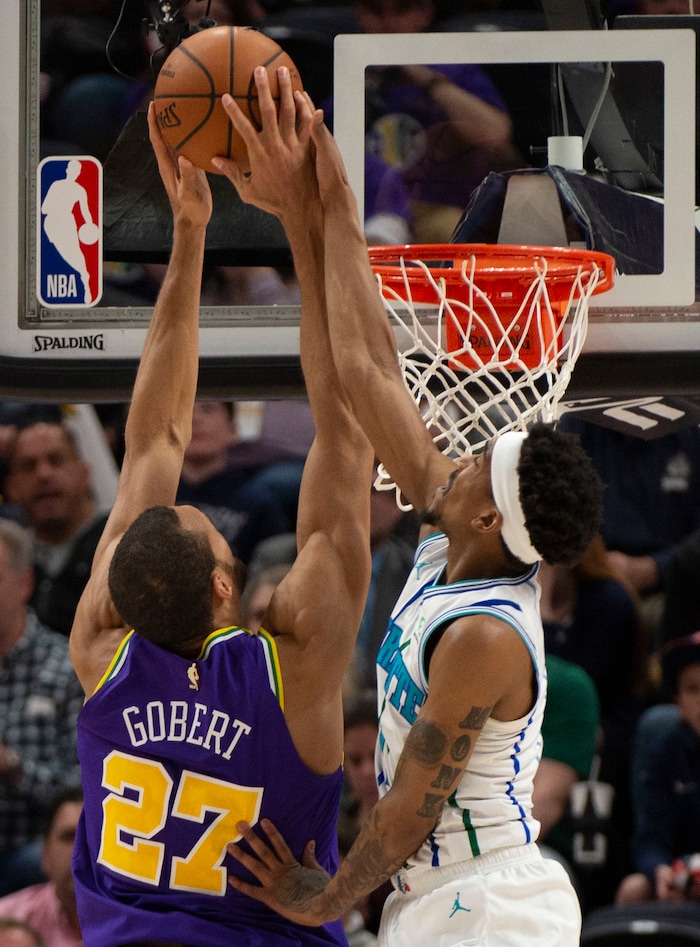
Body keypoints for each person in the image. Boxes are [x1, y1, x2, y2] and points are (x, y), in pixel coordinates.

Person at [217, 68, 604, 945]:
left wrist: (322, 897)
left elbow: (406, 810)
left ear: (486, 518)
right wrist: (324, 199)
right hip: (445, 899)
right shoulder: (454, 533)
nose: (460, 458)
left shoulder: (485, 634)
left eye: (477, 466)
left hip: (491, 903)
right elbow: (368, 372)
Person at [68, 93, 374, 946]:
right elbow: (345, 434)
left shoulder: (100, 649)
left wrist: (192, 234)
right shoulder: (294, 668)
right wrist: (306, 219)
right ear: (221, 583)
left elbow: (154, 437)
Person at [0, 519, 83, 898]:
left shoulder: (66, 667)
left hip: (36, 844)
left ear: (25, 584)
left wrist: (14, 768)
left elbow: (83, 786)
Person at [615, 631, 700, 905]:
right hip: (687, 876)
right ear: (677, 702)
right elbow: (650, 836)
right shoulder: (665, 747)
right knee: (634, 889)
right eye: (693, 689)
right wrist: (660, 870)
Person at [4, 418, 109, 637]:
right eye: (28, 465)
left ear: (84, 473)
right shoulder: (7, 561)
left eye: (56, 460)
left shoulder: (120, 547)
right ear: (11, 488)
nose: (44, 474)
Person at [176, 400, 292, 564]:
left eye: (208, 409)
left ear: (233, 430)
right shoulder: (153, 494)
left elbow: (272, 566)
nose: (195, 419)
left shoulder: (258, 501)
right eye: (185, 410)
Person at [0, 787, 84, 946]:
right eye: (69, 837)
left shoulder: (140, 928)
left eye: (92, 839)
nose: (80, 852)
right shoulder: (7, 919)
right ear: (45, 854)